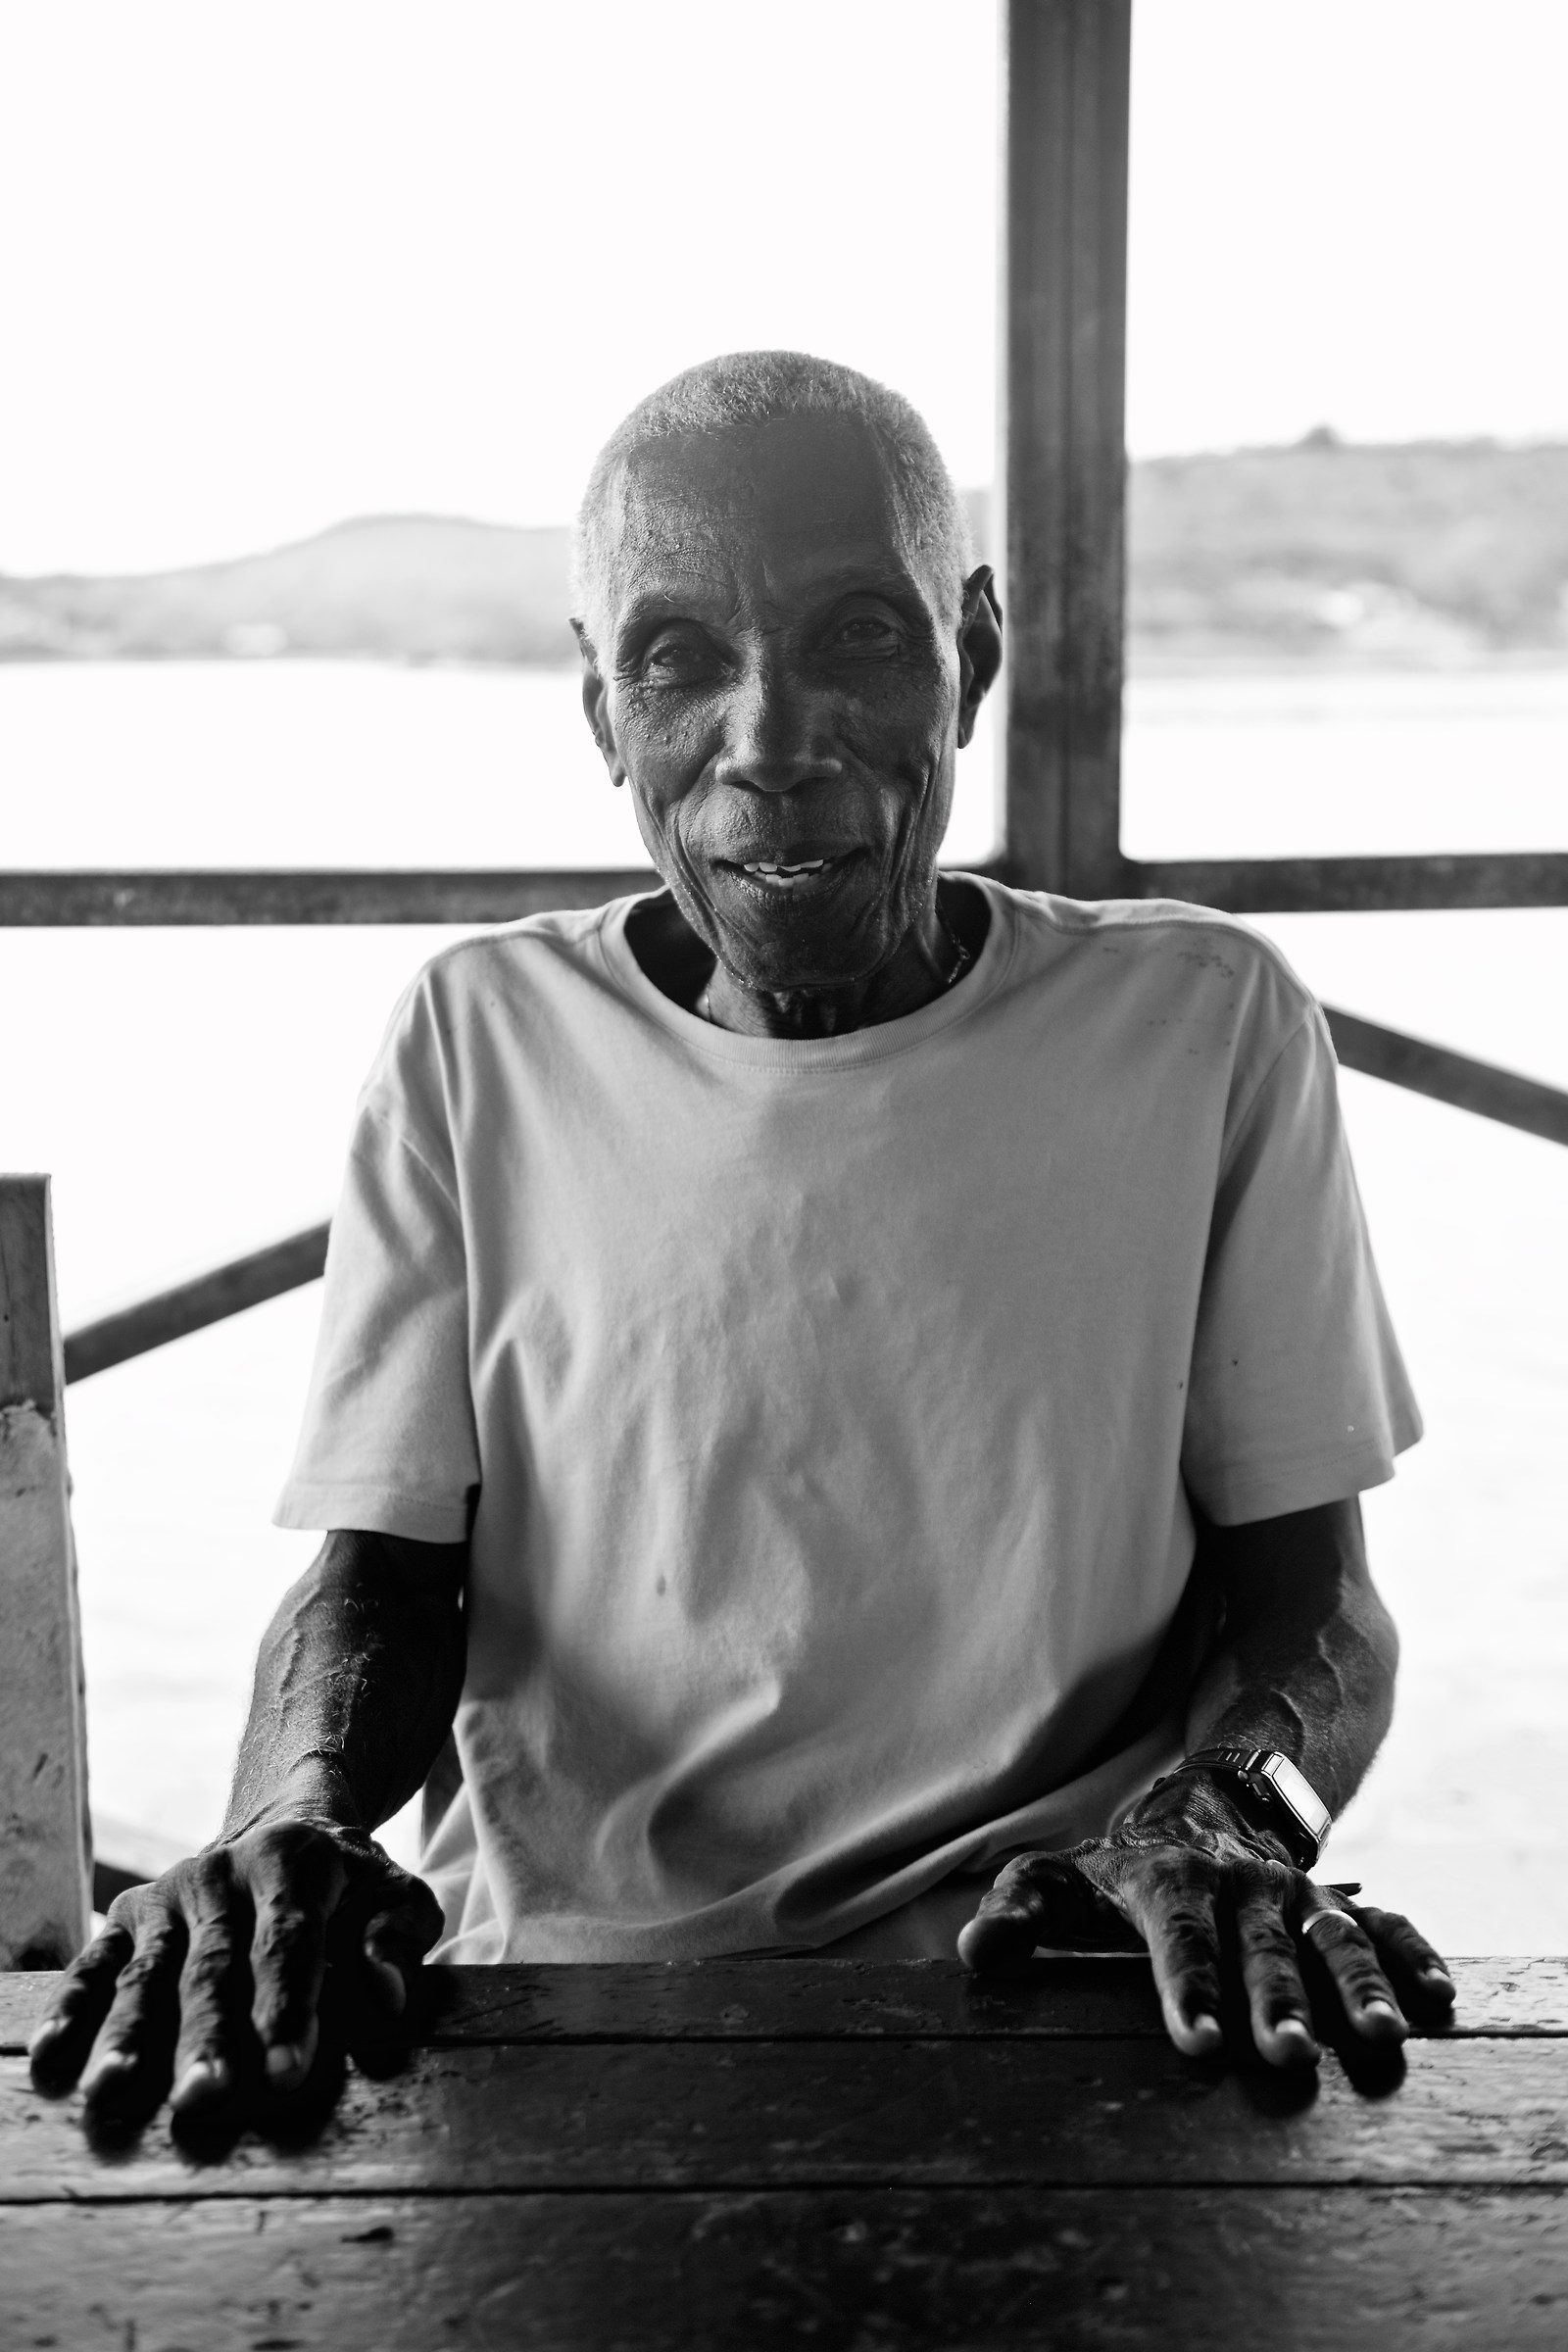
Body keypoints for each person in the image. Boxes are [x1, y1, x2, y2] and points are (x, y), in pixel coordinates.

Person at [30, 351, 1453, 2124]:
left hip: (1062, 1990)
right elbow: (380, 1582)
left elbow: (1316, 1604)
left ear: (975, 658)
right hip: (562, 2017)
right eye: (679, 657)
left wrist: (1225, 1813)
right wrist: (284, 1827)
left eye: (862, 637)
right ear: (602, 713)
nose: (771, 744)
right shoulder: (477, 1037)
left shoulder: (1201, 1023)